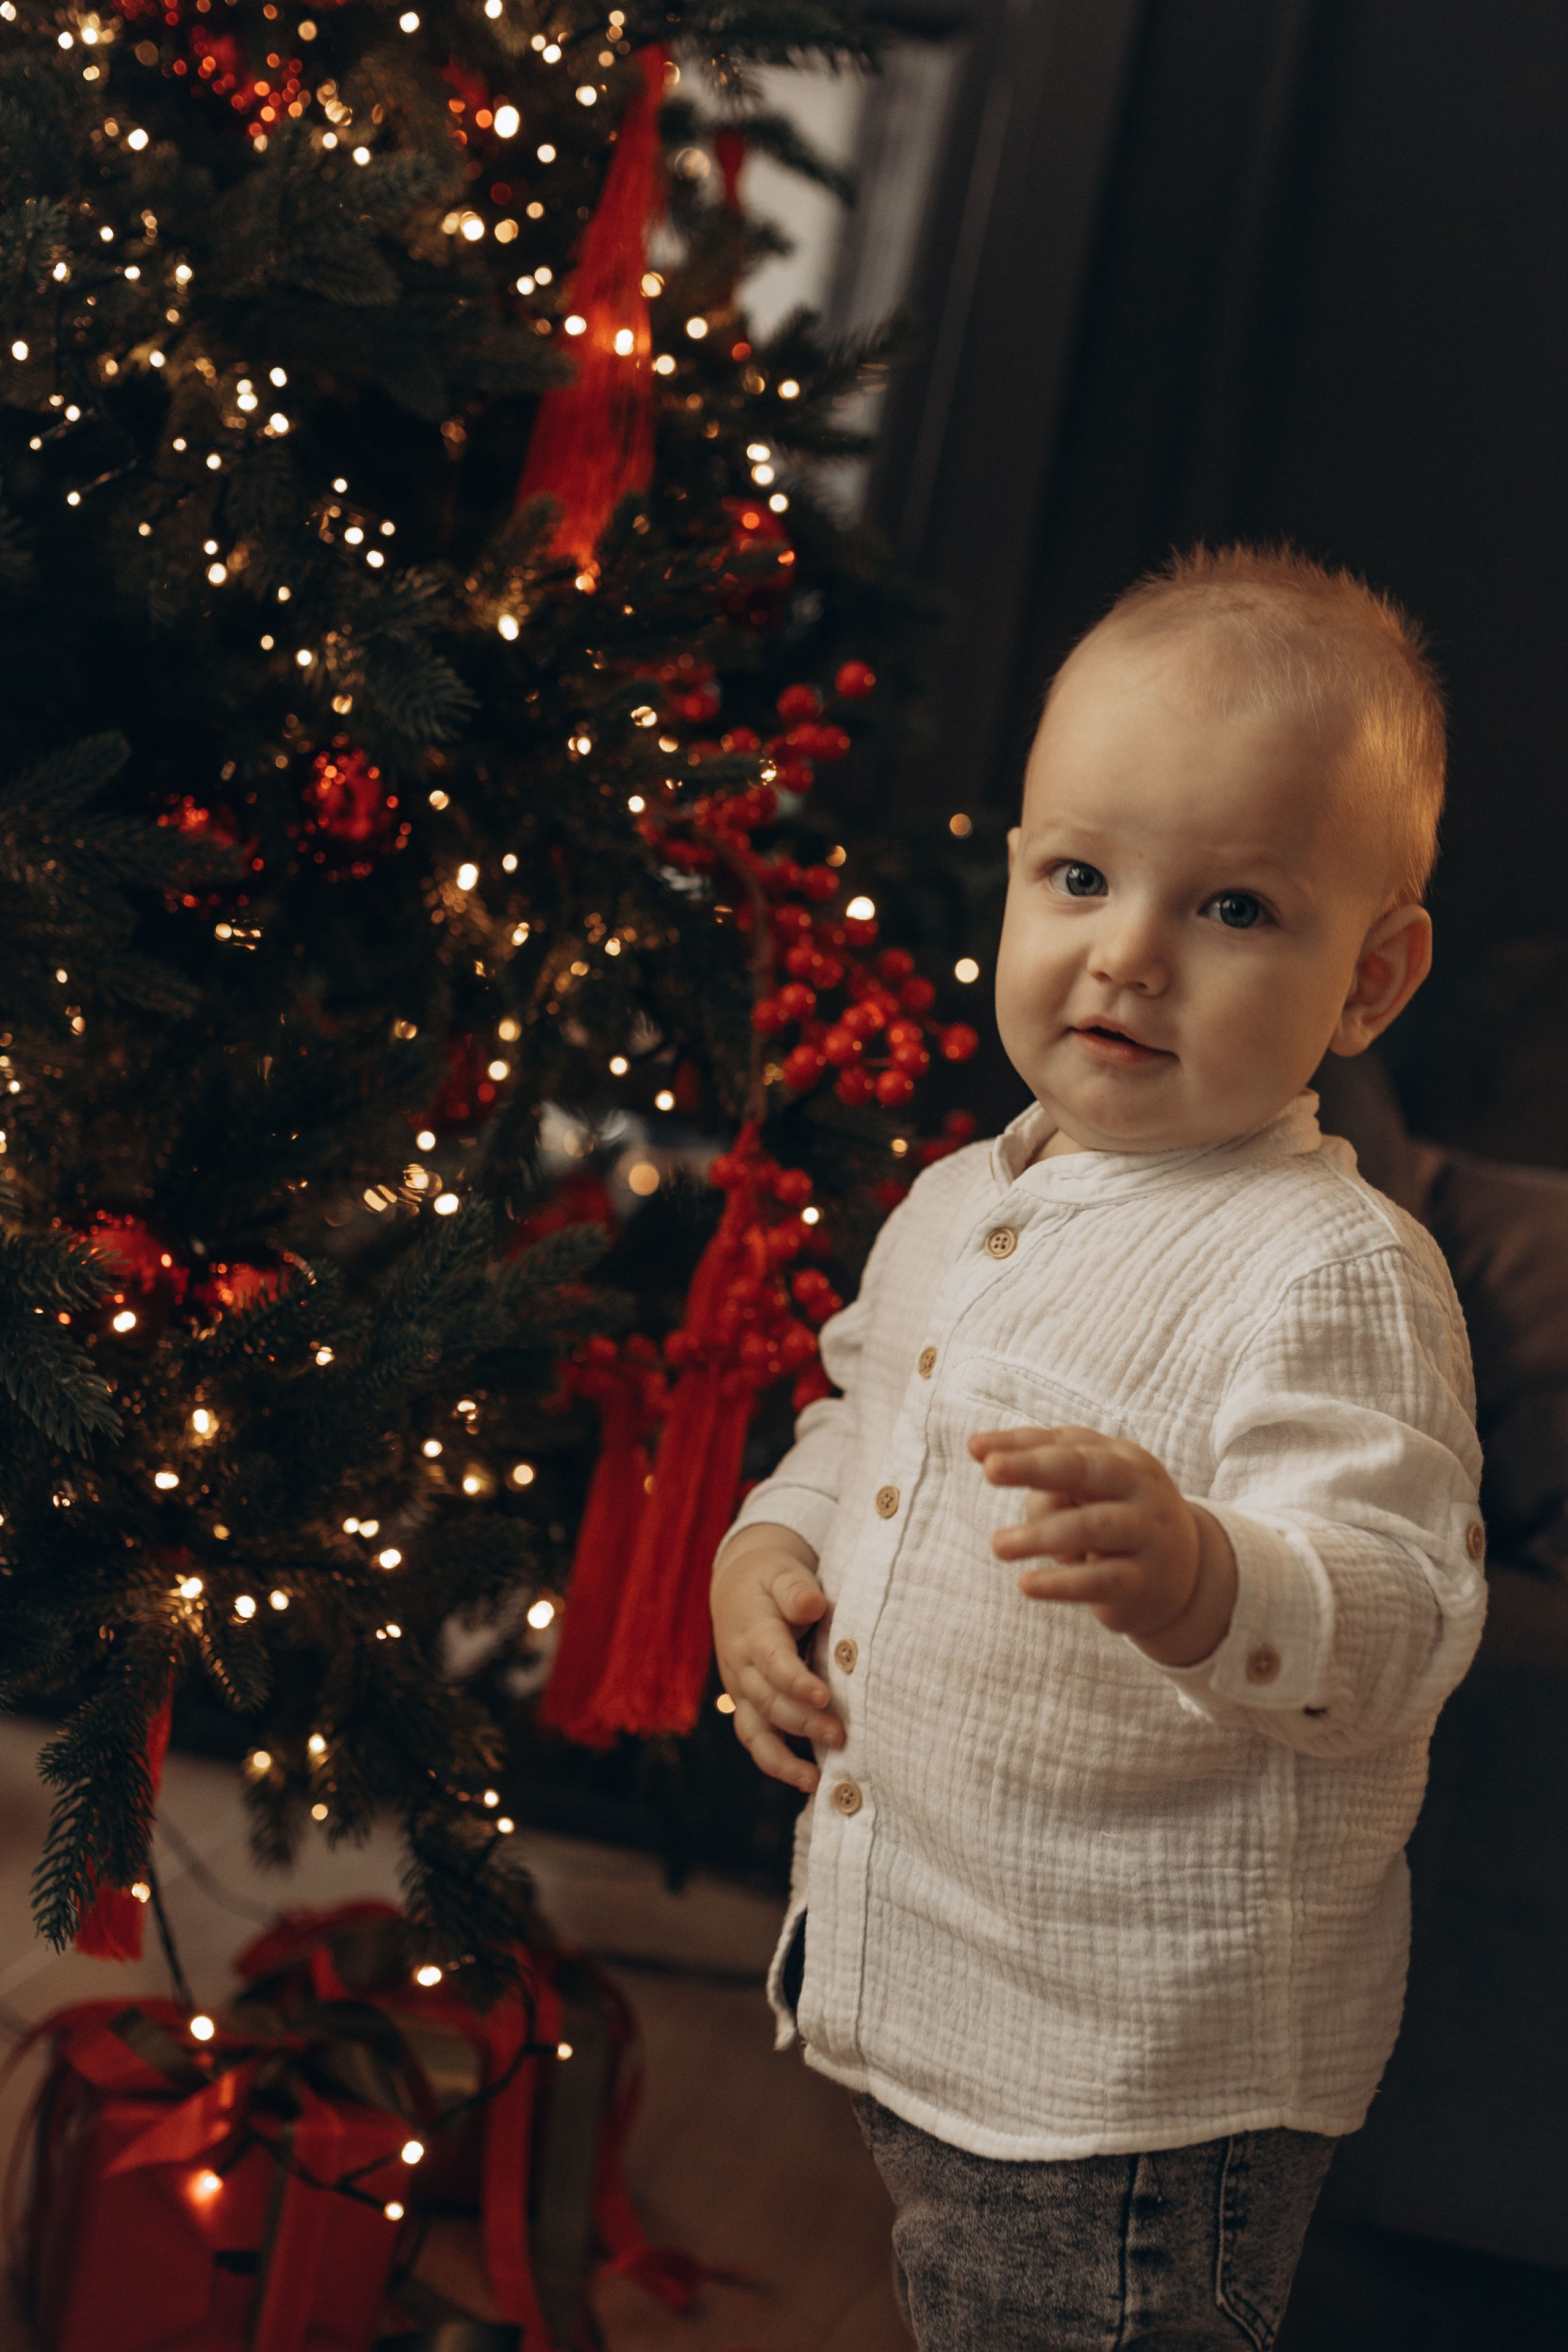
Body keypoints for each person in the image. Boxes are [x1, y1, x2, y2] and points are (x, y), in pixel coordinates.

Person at [710, 545, 1485, 2351]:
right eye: (1081, 876)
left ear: (1370, 979)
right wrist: (771, 1548)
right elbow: (857, 1416)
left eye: (1234, 910)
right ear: (1015, 879)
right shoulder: (960, 1198)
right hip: (952, 1988)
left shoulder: (1332, 1268)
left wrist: (1215, 1578)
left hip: (1149, 2075)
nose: (1127, 952)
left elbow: (1394, 1619)